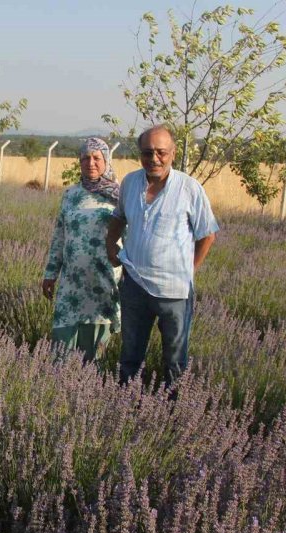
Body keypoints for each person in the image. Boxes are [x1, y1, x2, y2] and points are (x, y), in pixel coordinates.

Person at [105, 125, 218, 388]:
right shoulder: (131, 183)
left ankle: (173, 412)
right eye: (147, 152)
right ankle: (124, 405)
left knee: (175, 361)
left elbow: (207, 235)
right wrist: (111, 244)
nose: (154, 158)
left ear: (173, 153)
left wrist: (188, 270)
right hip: (134, 285)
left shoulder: (190, 188)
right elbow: (119, 217)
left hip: (174, 292)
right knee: (130, 356)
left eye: (161, 152)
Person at [41, 137, 121, 361]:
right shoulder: (71, 195)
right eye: (85, 158)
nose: (91, 163)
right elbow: (59, 236)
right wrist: (50, 274)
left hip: (103, 283)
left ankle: (92, 394)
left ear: (106, 161)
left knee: (95, 355)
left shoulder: (120, 196)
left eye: (97, 158)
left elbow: (132, 238)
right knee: (61, 349)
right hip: (71, 284)